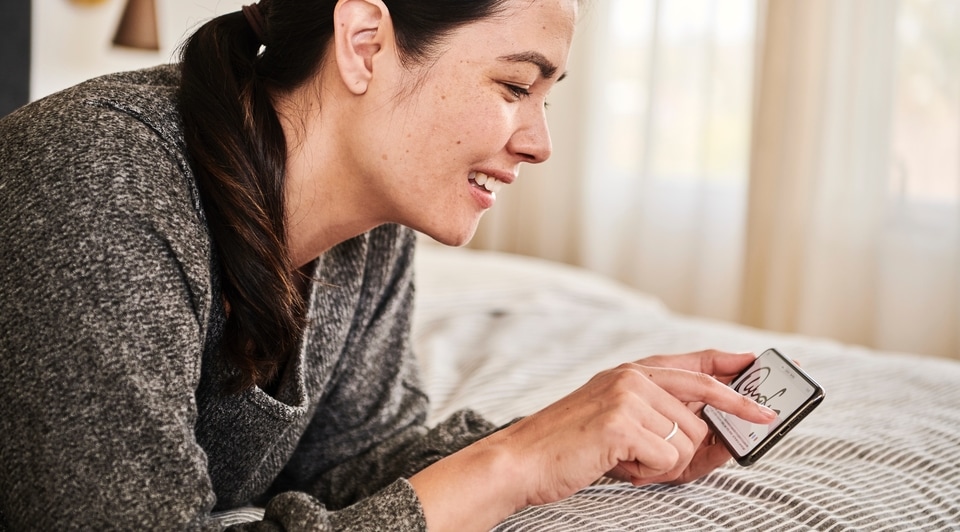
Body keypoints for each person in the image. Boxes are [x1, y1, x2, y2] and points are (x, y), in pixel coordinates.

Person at [0, 0, 777, 529]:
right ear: (365, 41)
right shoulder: (94, 178)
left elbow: (353, 468)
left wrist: (579, 434)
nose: (541, 142)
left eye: (545, 98)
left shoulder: (370, 227)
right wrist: (511, 463)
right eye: (514, 85)